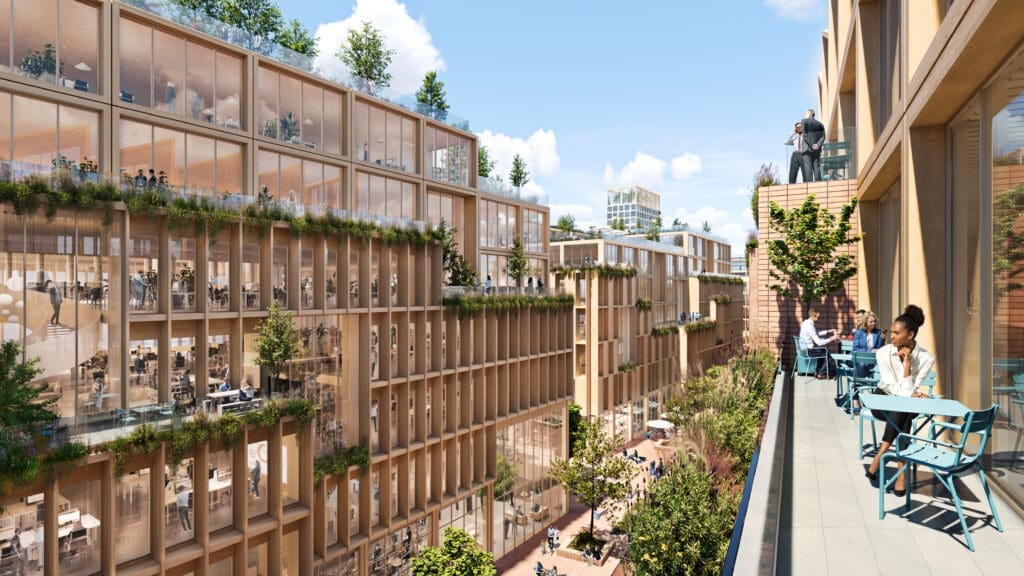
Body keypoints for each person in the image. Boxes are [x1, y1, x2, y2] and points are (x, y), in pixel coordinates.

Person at [864, 305, 934, 496]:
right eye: (891, 332)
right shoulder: (883, 353)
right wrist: (910, 393)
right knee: (904, 412)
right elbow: (895, 388)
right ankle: (901, 474)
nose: (891, 337)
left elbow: (908, 392)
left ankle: (882, 453)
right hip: (882, 400)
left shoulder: (926, 359)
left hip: (905, 405)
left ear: (910, 335)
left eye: (896, 333)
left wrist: (908, 364)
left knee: (903, 410)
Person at [799, 306, 839, 378]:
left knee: (823, 351)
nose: (819, 319)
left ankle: (818, 372)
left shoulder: (806, 323)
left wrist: (828, 331)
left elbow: (816, 333)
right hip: (808, 351)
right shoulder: (810, 326)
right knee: (826, 353)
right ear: (814, 316)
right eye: (818, 317)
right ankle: (822, 373)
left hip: (803, 350)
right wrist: (831, 339)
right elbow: (819, 343)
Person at [801, 109, 826, 182]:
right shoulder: (820, 124)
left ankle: (810, 184)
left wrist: (811, 145)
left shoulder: (804, 121)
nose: (804, 115)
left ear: (809, 114)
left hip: (807, 148)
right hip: (816, 149)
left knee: (808, 167)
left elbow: (805, 136)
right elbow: (823, 137)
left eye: (805, 113)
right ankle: (818, 182)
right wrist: (817, 145)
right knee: (816, 166)